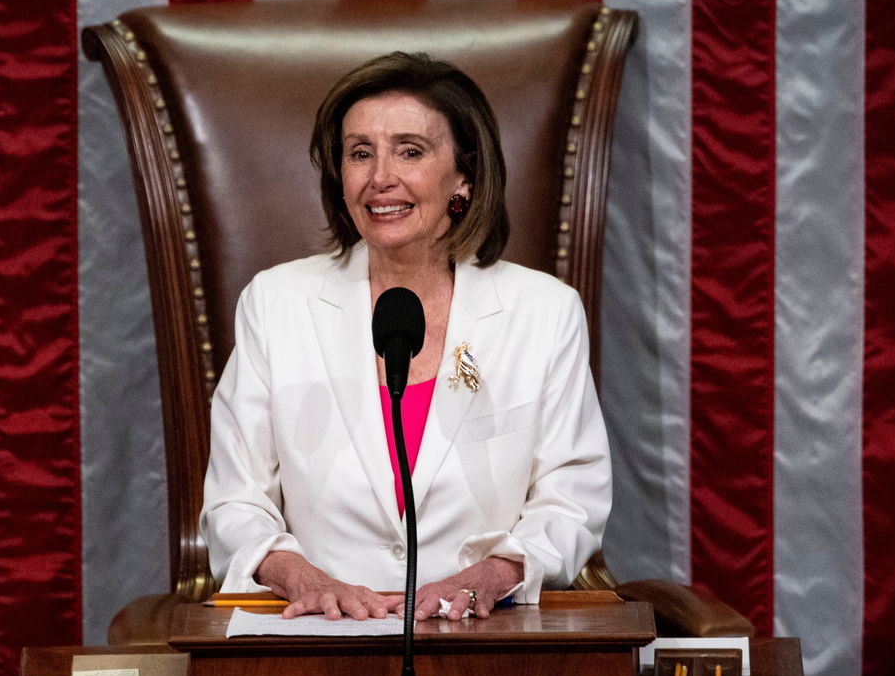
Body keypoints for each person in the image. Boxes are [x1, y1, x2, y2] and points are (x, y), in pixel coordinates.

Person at [199, 52, 611, 622]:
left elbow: (572, 498)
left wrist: (496, 574)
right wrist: (300, 578)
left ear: (464, 173)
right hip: (317, 635)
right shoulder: (275, 303)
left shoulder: (544, 312)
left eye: (411, 151)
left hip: (481, 635)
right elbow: (234, 498)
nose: (380, 178)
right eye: (359, 153)